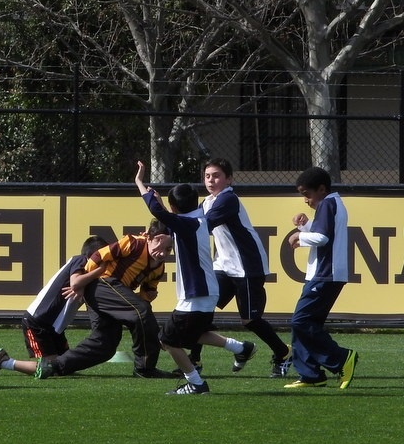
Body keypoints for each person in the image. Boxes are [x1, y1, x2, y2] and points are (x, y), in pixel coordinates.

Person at [134, 161, 257, 394]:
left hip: (196, 294)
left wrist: (140, 183)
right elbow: (167, 217)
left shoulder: (186, 223)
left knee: (167, 340)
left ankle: (196, 382)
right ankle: (241, 348)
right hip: (206, 293)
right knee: (196, 334)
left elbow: (157, 212)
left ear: (174, 207)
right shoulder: (198, 218)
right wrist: (161, 203)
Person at [187, 158, 292, 378]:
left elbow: (200, 225)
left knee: (250, 320)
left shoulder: (228, 199)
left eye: (216, 175)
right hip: (223, 266)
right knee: (200, 311)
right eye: (207, 176)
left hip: (247, 267)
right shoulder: (206, 202)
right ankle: (193, 361)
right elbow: (191, 222)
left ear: (229, 179)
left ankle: (283, 353)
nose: (210, 180)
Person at [36, 220, 176, 379]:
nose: (163, 253)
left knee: (104, 345)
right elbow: (98, 255)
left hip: (112, 294)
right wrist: (83, 283)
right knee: (142, 312)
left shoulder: (159, 267)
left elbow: (148, 291)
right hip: (103, 284)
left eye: (168, 249)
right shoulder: (133, 243)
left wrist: (147, 296)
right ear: (149, 237)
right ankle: (144, 368)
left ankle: (53, 365)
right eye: (158, 243)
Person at [0, 235, 109, 376]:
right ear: (94, 255)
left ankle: (4, 360)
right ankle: (3, 361)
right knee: (50, 369)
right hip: (38, 322)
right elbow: (75, 282)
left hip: (53, 326)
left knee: (65, 366)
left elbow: (78, 284)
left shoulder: (88, 274)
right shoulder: (80, 260)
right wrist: (98, 271)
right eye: (104, 255)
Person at [284, 166, 358, 389]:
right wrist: (305, 225)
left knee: (301, 321)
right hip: (325, 274)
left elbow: (323, 237)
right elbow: (324, 233)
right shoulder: (331, 203)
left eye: (307, 194)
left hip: (326, 274)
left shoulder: (328, 203)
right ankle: (311, 375)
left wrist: (299, 235)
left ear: (322, 189)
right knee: (305, 323)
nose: (305, 200)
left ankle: (341, 358)